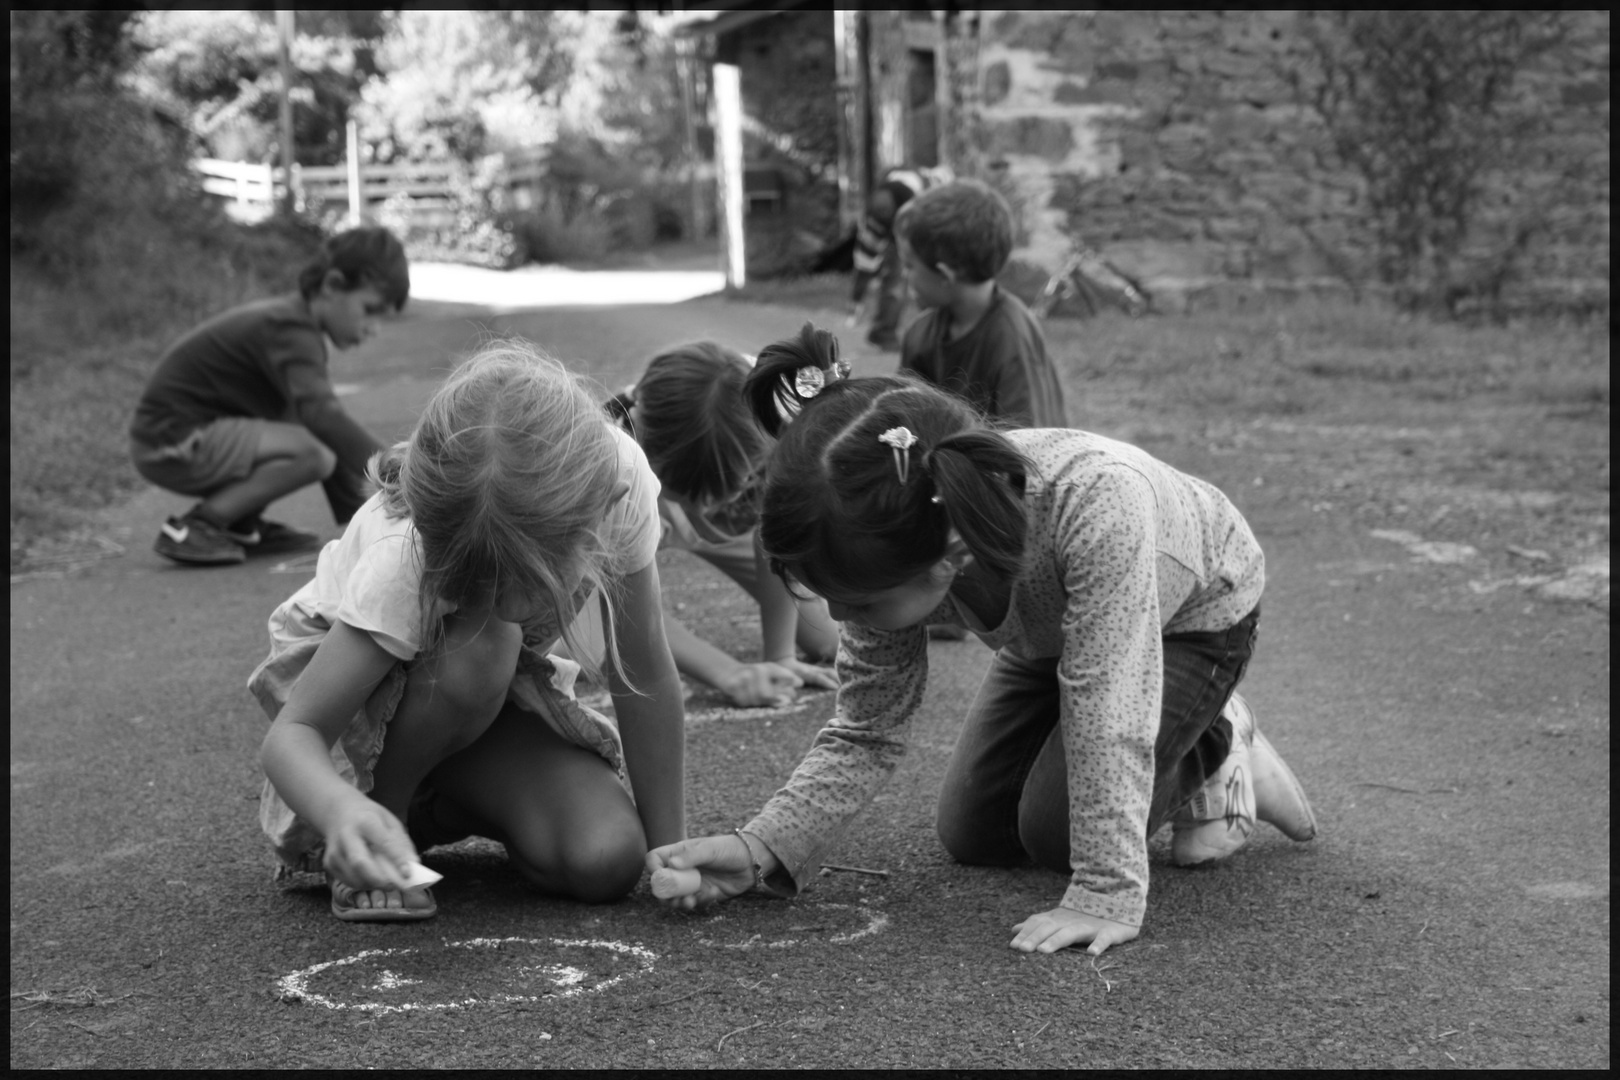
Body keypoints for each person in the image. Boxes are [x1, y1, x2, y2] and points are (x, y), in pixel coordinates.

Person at [646, 324, 1316, 956]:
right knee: (976, 833)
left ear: (951, 555)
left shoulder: (1098, 508)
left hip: (1190, 623)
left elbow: (1108, 714)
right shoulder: (902, 521)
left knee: (1058, 833)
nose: (842, 614)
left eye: (861, 599)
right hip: (1055, 638)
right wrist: (761, 848)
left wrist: (1107, 893)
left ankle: (1219, 742)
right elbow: (866, 731)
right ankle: (1188, 732)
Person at [250, 342, 686, 922]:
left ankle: (447, 800)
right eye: (490, 579)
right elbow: (293, 733)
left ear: (602, 508)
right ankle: (383, 825)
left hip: (481, 699)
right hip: (366, 706)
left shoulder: (615, 478)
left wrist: (671, 854)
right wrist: (338, 810)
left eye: (526, 580)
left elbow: (647, 673)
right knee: (487, 639)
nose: (509, 601)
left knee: (605, 859)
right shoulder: (402, 553)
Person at [129, 226, 410, 566]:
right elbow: (324, 418)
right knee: (313, 454)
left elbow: (317, 421)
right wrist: (395, 472)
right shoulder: (291, 329)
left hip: (181, 435)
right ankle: (200, 524)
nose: (373, 329)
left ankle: (240, 523)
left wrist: (363, 520)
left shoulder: (294, 325)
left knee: (301, 427)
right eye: (370, 310)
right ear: (332, 285)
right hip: (169, 440)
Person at [603, 342, 839, 708]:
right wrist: (728, 673)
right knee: (586, 630)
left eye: (718, 494)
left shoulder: (774, 426)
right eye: (689, 496)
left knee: (826, 639)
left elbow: (773, 539)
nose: (702, 509)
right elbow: (620, 598)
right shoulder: (613, 461)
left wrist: (779, 656)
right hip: (639, 517)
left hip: (735, 521)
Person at [894, 178, 1067, 429]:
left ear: (945, 274)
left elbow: (1028, 448)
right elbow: (904, 422)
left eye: (909, 265)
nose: (903, 274)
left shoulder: (1011, 339)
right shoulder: (919, 336)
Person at [850, 167, 951, 352]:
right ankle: (885, 332)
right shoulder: (878, 211)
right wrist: (858, 296)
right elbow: (865, 257)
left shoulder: (925, 199)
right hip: (905, 221)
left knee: (925, 277)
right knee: (896, 280)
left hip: (923, 225)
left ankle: (935, 332)